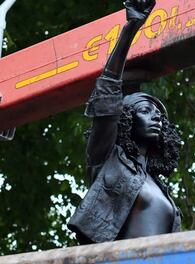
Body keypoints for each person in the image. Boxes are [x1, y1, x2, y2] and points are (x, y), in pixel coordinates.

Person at [68, 0, 183, 245]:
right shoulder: (108, 160)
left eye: (159, 115)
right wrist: (131, 29)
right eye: (145, 111)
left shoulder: (160, 187)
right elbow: (108, 92)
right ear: (127, 120)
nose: (156, 118)